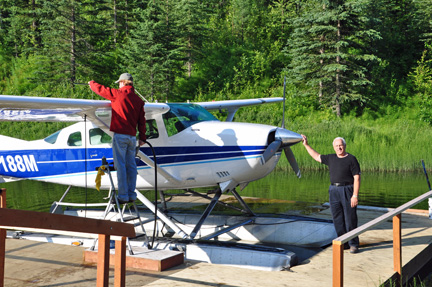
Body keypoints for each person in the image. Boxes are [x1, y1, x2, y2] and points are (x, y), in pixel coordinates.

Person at [89, 73, 146, 204]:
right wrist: (142, 137)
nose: (119, 86)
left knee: (120, 166)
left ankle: (123, 196)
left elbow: (102, 90)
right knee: (131, 165)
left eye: (119, 83)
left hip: (120, 136)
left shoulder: (118, 94)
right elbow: (142, 121)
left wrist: (91, 83)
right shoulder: (138, 100)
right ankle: (132, 194)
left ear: (122, 82)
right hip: (132, 138)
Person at [301, 135, 360, 253]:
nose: (339, 148)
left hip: (347, 190)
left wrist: (355, 195)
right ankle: (344, 243)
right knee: (337, 218)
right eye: (337, 146)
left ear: (345, 146)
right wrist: (306, 144)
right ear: (334, 147)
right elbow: (316, 156)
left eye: (341, 145)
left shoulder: (351, 159)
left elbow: (357, 178)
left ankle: (353, 244)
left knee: (350, 218)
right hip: (333, 190)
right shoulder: (331, 158)